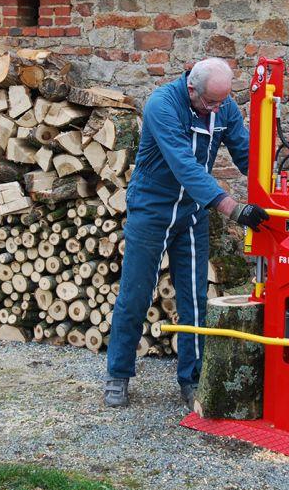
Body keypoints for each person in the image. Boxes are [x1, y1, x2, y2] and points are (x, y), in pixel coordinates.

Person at [104, 57, 269, 409]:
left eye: (221, 103)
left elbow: (246, 155)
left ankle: (192, 380)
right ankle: (118, 374)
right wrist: (233, 209)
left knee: (194, 298)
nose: (216, 110)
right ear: (191, 88)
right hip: (152, 208)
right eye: (210, 102)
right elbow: (185, 165)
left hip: (192, 213)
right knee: (136, 294)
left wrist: (272, 185)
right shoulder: (162, 105)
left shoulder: (222, 108)